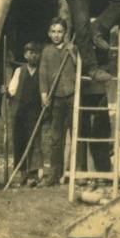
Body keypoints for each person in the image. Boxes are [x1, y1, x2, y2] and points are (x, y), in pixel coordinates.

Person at [38, 17, 77, 187]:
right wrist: (44, 96)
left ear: (65, 33)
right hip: (56, 99)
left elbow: (80, 67)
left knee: (76, 134)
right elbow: (43, 76)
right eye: (53, 31)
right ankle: (55, 174)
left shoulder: (73, 48)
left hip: (73, 95)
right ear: (48, 33)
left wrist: (73, 53)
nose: (56, 35)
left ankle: (78, 173)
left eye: (60, 31)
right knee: (55, 137)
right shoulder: (46, 52)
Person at [4, 41, 43, 187]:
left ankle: (33, 173)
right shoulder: (19, 71)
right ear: (25, 55)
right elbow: (11, 90)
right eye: (30, 53)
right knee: (19, 140)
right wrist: (6, 91)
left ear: (40, 55)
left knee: (33, 140)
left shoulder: (42, 71)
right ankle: (22, 173)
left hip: (35, 111)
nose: (33, 56)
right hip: (20, 110)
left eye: (36, 53)